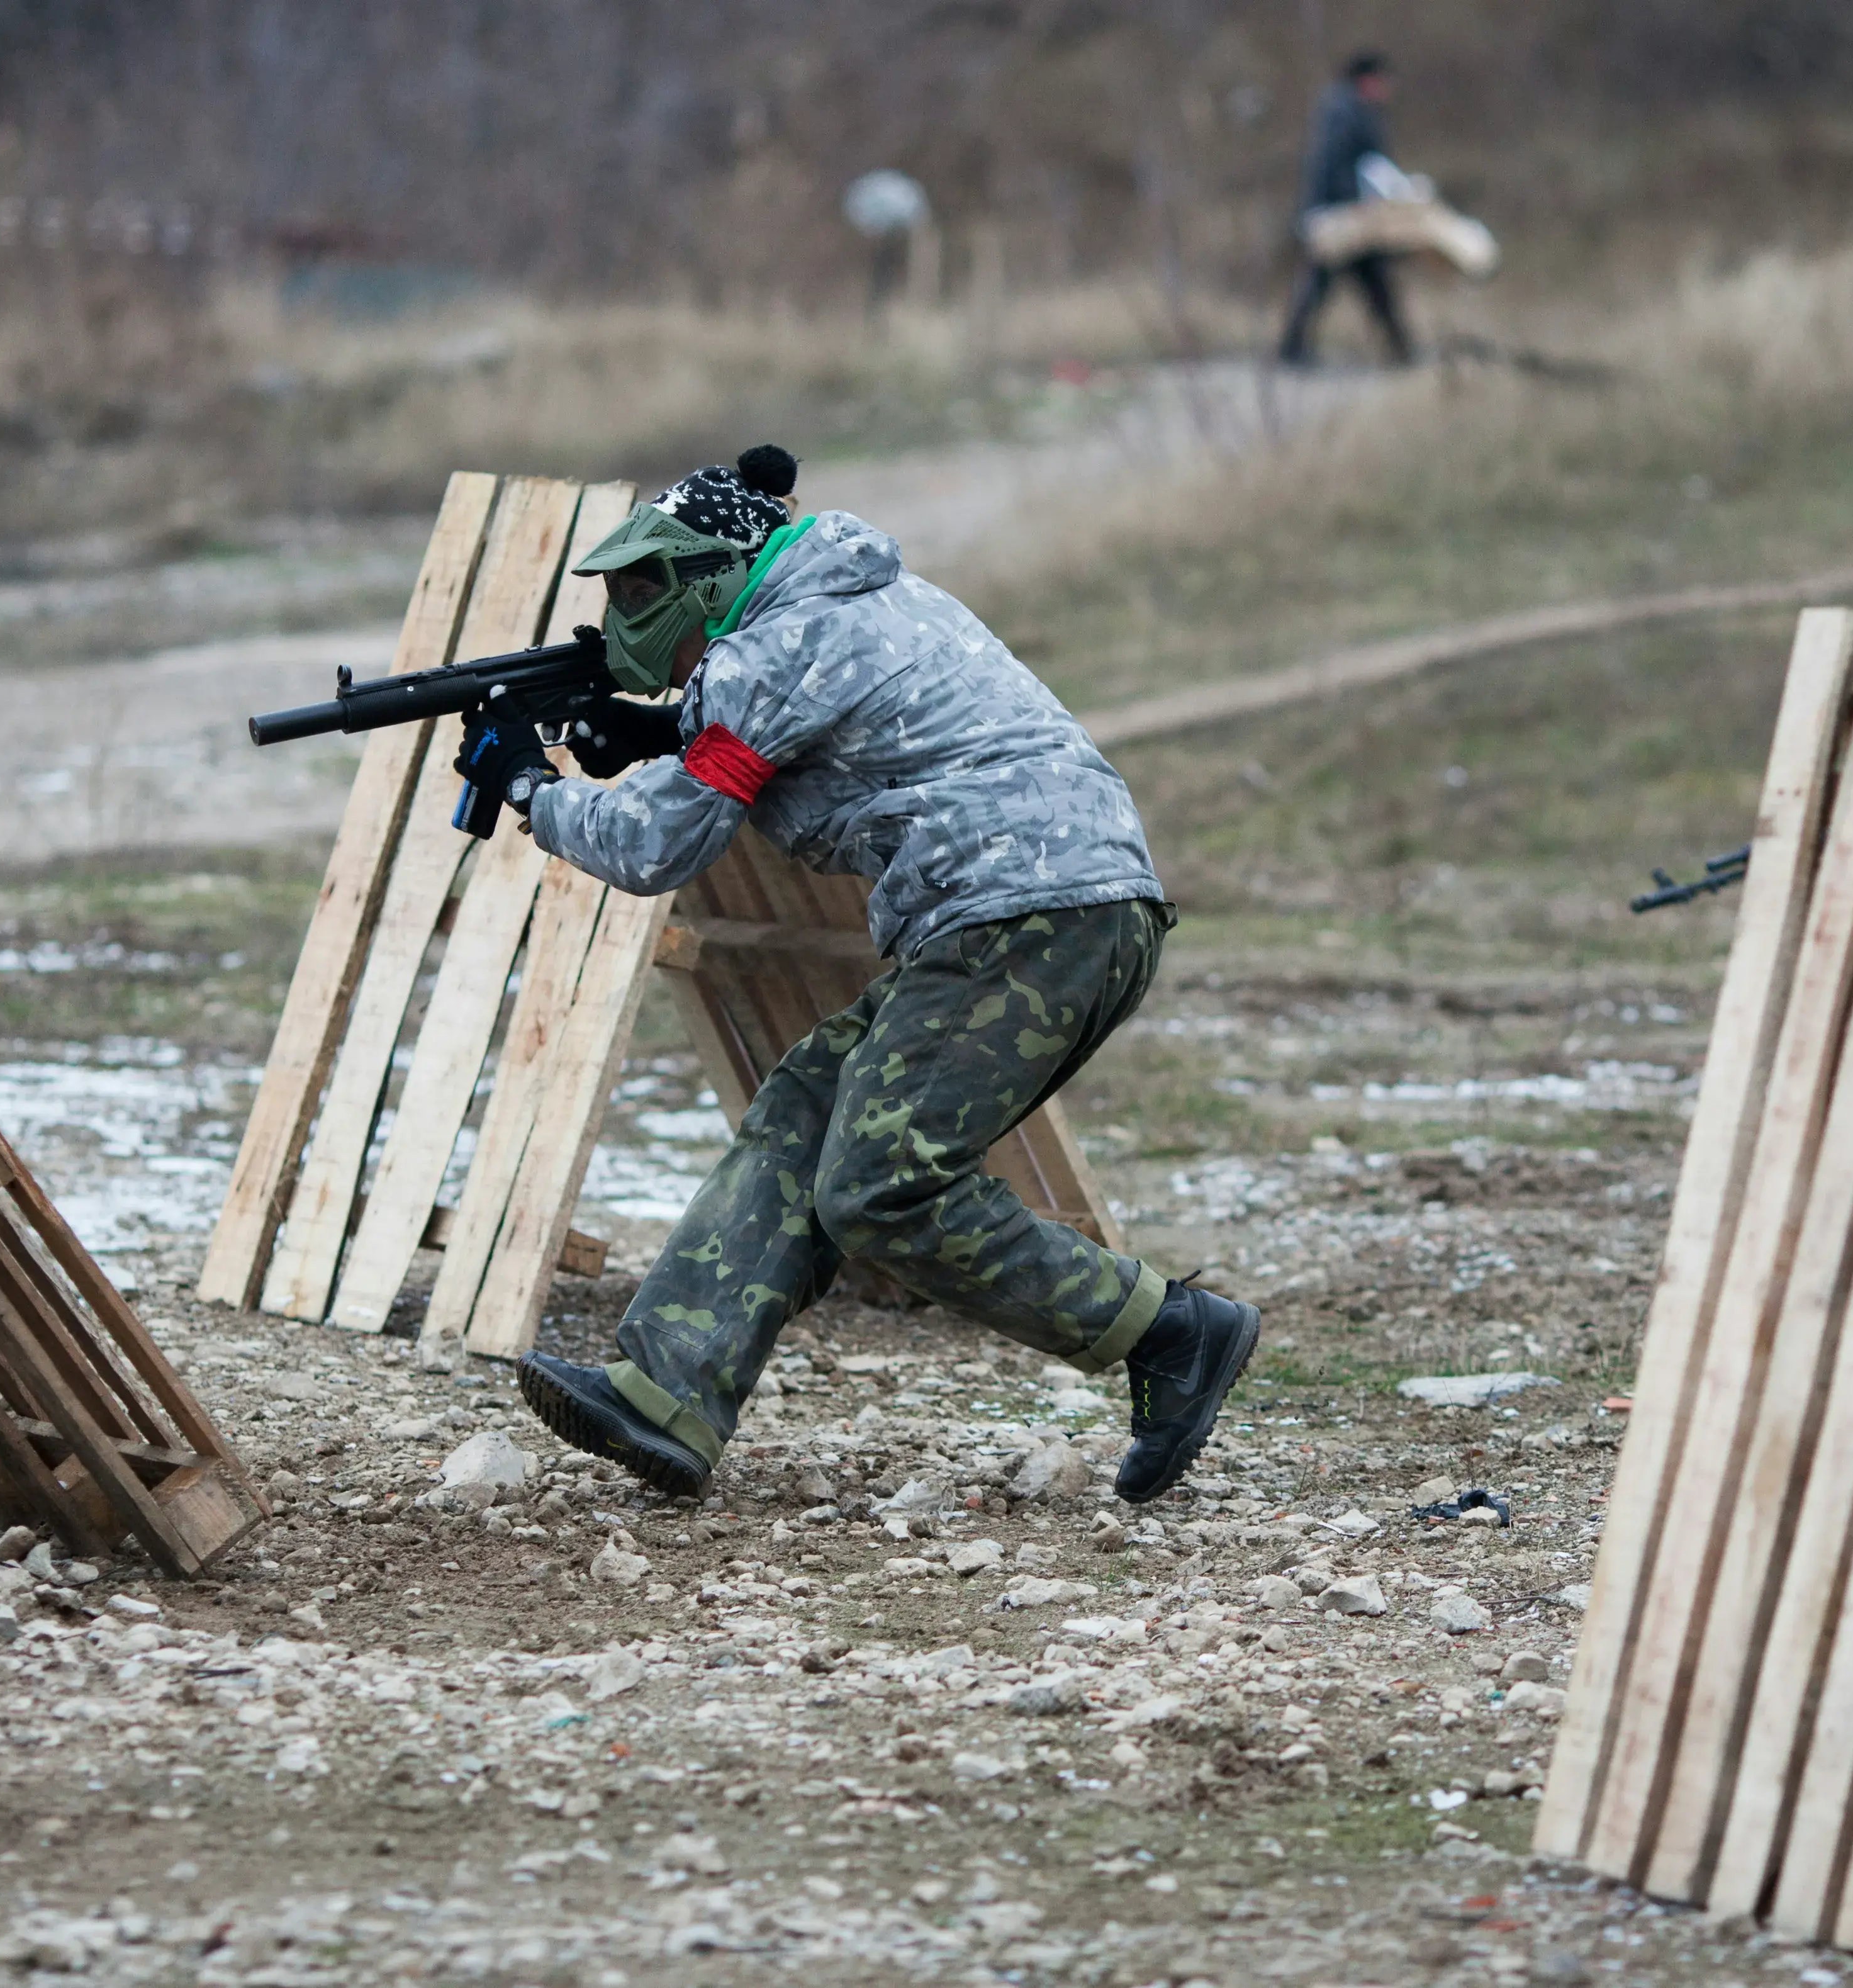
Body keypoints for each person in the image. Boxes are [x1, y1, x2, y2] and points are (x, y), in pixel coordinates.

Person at [447, 444, 1260, 1507]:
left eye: (643, 589)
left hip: (1027, 913)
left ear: (716, 572)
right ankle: (668, 1387)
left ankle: (1173, 1332)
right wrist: (660, 731)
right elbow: (806, 750)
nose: (628, 613)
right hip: (1043, 905)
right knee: (805, 1107)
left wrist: (528, 784)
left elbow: (656, 847)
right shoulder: (849, 601)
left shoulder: (771, 650)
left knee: (879, 1184)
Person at [1277, 50, 1413, 367]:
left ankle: (1401, 349)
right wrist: (1354, 202)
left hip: (1354, 214)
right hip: (1339, 215)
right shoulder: (1342, 111)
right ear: (1367, 80)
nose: (1387, 89)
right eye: (1383, 81)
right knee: (1330, 280)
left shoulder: (1359, 110)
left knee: (1368, 281)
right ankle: (1292, 350)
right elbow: (1331, 165)